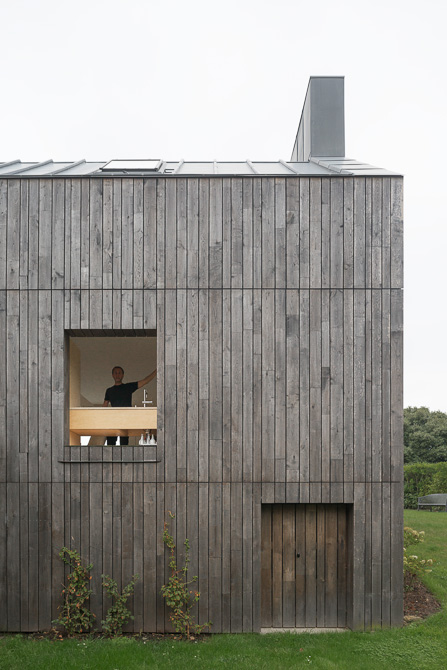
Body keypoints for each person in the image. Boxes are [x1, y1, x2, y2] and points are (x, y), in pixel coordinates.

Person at [103, 365, 157, 445]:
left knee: (124, 443)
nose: (117, 375)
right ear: (112, 375)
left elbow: (145, 381)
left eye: (119, 373)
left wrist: (157, 371)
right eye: (115, 373)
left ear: (123, 375)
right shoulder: (109, 390)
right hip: (113, 419)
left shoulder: (128, 387)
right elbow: (104, 407)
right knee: (110, 443)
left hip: (126, 419)